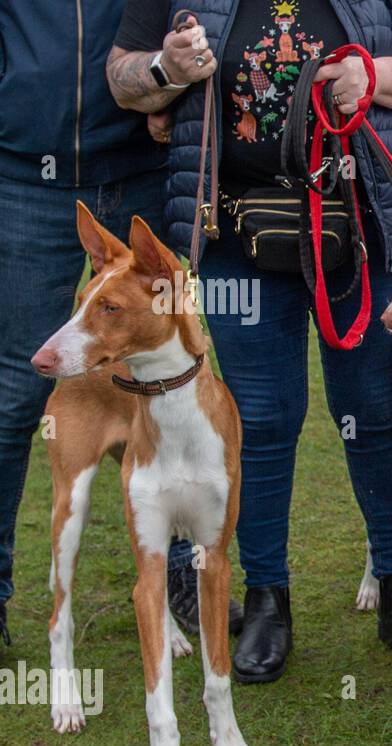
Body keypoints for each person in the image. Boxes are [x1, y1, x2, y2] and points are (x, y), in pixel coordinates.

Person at [108, 0, 392, 682]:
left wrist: (374, 75)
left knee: (379, 415)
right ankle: (268, 598)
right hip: (238, 236)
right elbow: (122, 76)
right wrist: (164, 69)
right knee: (261, 420)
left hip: (368, 230)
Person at [0, 0, 232, 650]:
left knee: (174, 384)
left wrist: (172, 100)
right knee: (18, 394)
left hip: (141, 175)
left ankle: (180, 574)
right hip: (25, 181)